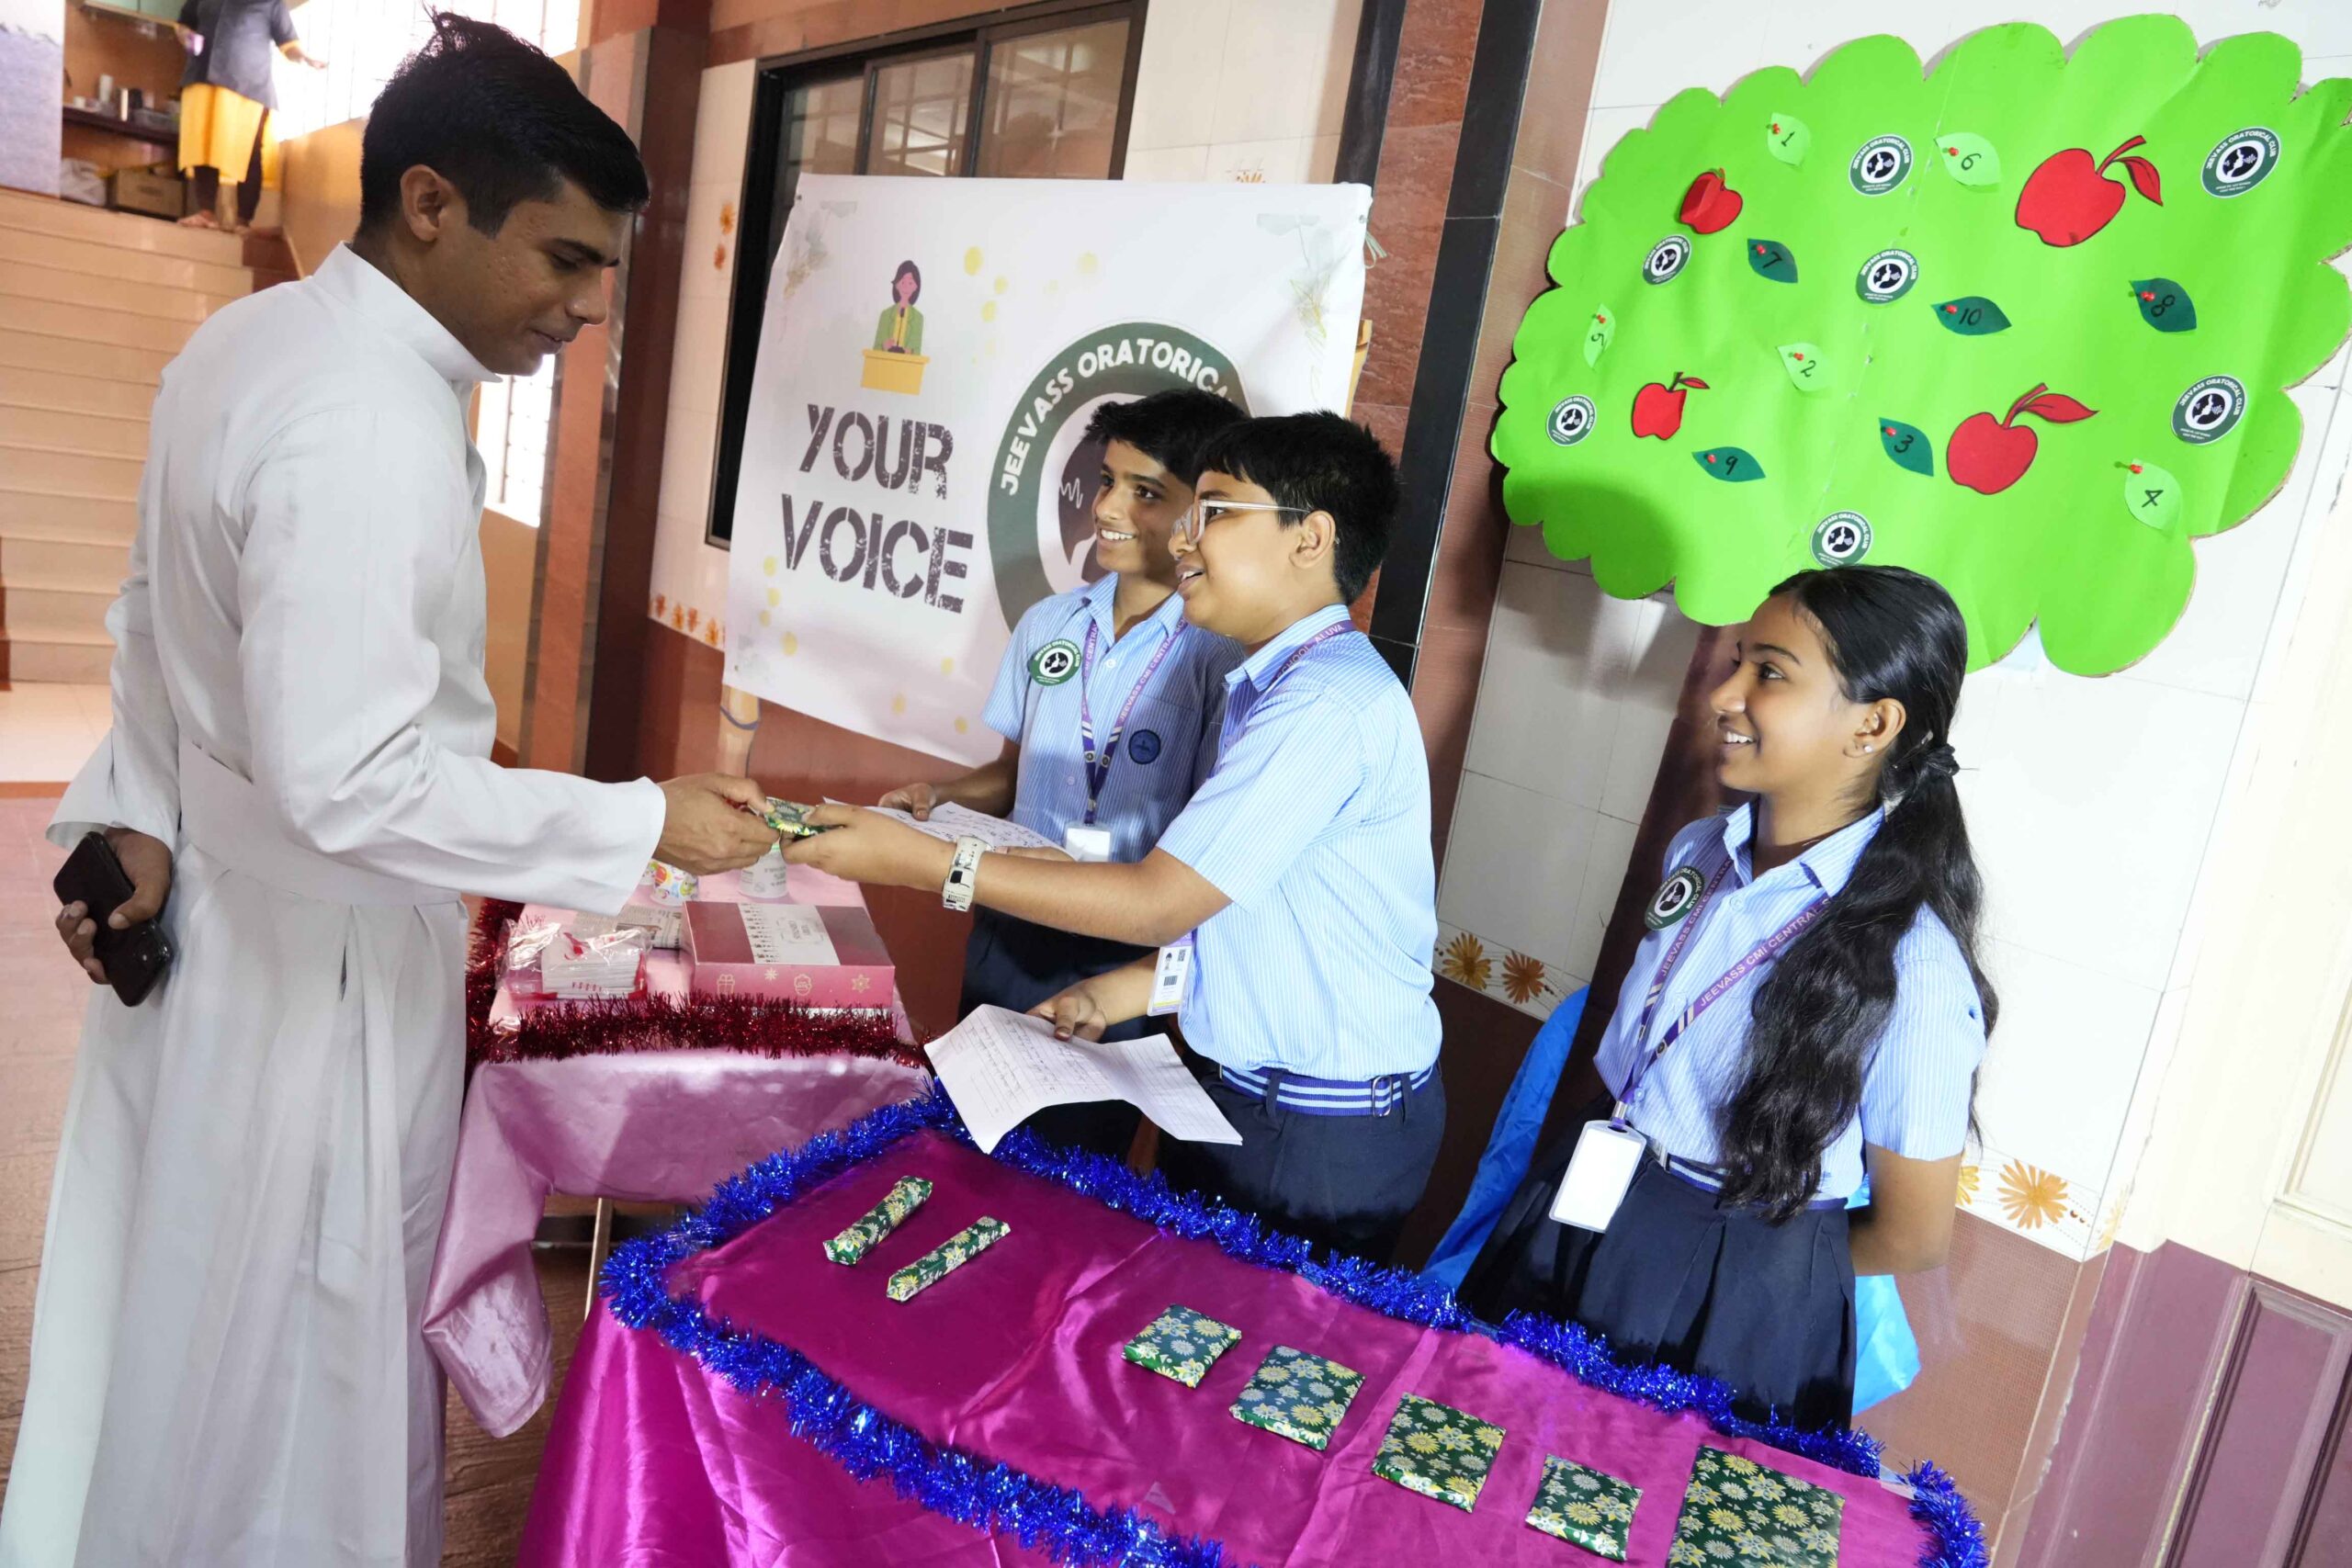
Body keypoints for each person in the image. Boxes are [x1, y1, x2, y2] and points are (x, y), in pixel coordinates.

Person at [1, 17, 779, 1567]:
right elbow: (349, 778)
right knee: (301, 1354)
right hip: (319, 971)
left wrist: (138, 813)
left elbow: (155, 619)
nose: (589, 304)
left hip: (225, 928)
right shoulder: (365, 417)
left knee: (183, 1314)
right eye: (565, 256)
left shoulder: (255, 341)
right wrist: (637, 821)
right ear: (430, 203)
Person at [789, 412, 1443, 1261]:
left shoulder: (1322, 703)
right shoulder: (1268, 685)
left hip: (1313, 1133)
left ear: (1309, 539)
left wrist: (930, 863)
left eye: (1215, 510)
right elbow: (1254, 915)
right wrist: (1122, 993)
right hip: (1242, 1099)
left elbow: (1161, 899)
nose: (1185, 537)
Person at [1458, 565, 1994, 1430]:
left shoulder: (1914, 963)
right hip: (1592, 1189)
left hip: (1736, 1278)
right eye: (1738, 660)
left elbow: (1914, 1233)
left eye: (1769, 672)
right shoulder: (1703, 849)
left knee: (1630, 1483)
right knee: (1485, 1434)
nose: (1724, 694)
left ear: (1873, 724)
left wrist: (1750, 1264)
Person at [878, 389, 1246, 1157]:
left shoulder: (1217, 656)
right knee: (971, 1143)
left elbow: (1212, 839)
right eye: (1107, 481)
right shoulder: (1049, 623)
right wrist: (942, 795)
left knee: (1071, 1174)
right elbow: (1009, 776)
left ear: (1202, 513)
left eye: (1145, 492)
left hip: (1116, 957)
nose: (1107, 507)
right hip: (1009, 929)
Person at [173, 0, 325, 231]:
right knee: (203, 146)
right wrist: (186, 36)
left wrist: (304, 57)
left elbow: (288, 42)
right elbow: (184, 23)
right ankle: (206, 213)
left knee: (248, 152)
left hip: (247, 84)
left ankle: (243, 220)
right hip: (201, 76)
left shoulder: (271, 2)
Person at [873, 259, 924, 354]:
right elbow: (876, 348)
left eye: (910, 283)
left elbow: (917, 351)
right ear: (896, 284)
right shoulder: (885, 314)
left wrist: (910, 352)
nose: (906, 287)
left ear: (916, 287)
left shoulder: (918, 317)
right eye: (903, 282)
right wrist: (883, 346)